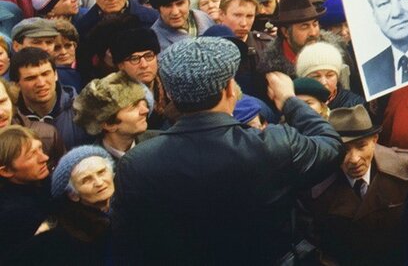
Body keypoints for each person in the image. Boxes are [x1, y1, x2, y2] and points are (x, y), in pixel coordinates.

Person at [110, 38, 343, 263]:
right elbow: (331, 144)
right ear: (231, 89)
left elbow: (128, 245)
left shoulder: (136, 164)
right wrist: (290, 101)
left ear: (171, 94)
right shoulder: (273, 145)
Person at [304, 105, 408, 265]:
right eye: (344, 150)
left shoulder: (406, 169)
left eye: (361, 146)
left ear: (375, 140)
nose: (354, 159)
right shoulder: (316, 188)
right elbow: (315, 245)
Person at [10, 145, 114, 263]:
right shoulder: (64, 238)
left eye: (101, 172)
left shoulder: (129, 207)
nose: (99, 183)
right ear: (73, 195)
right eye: (86, 180)